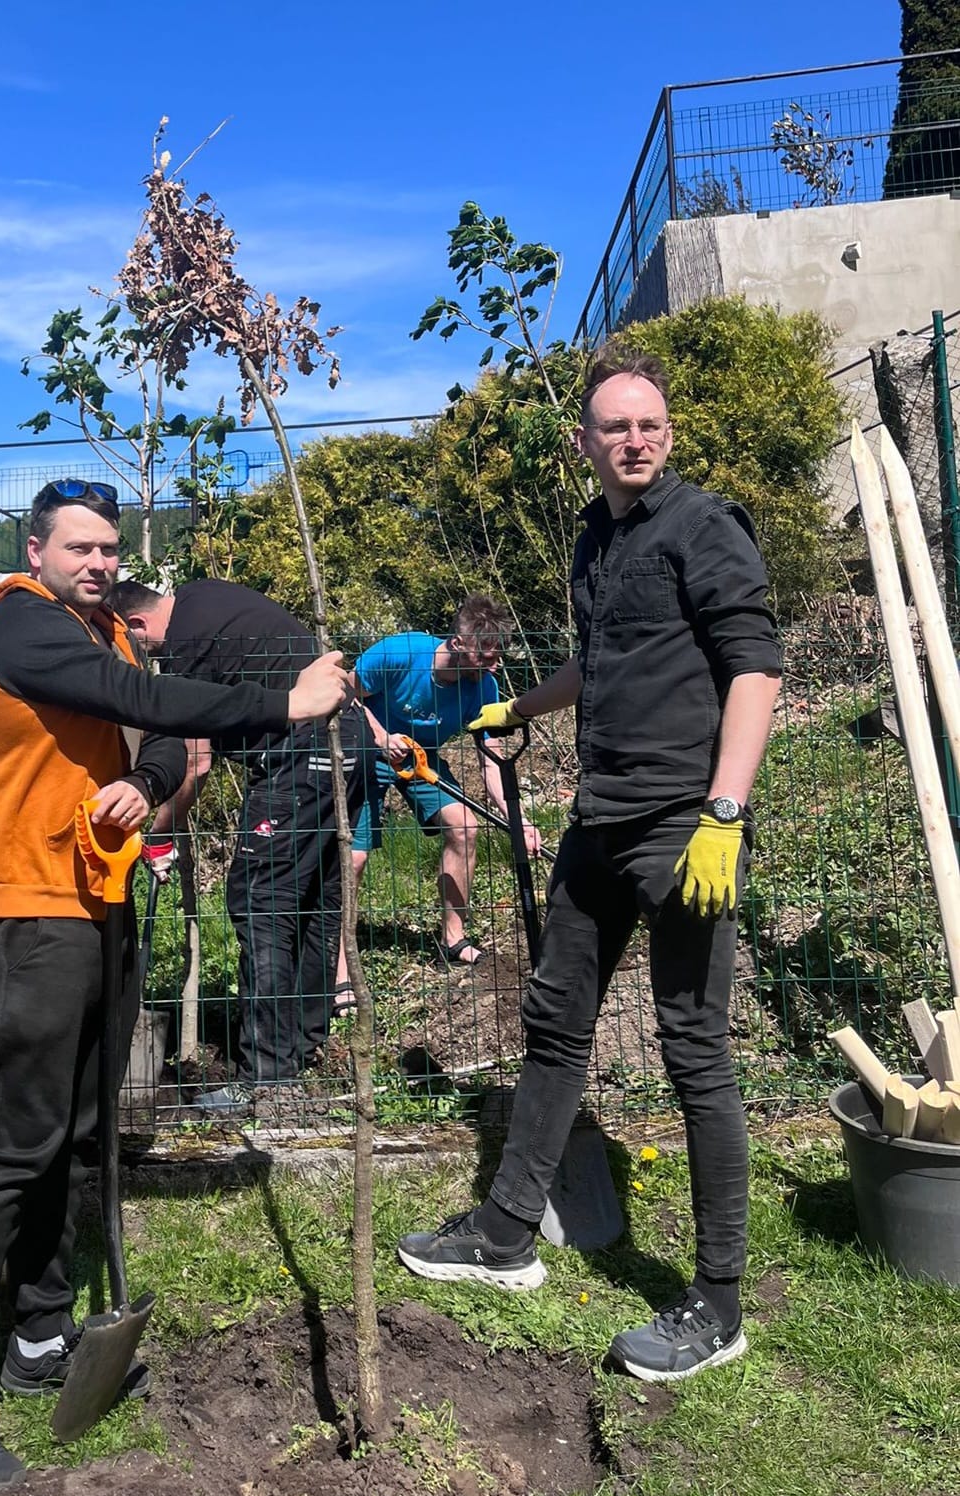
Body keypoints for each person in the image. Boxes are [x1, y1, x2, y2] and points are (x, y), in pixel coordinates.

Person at [0, 479, 352, 1494]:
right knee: (15, 1142)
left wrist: (144, 786)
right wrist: (284, 701)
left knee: (89, 1127)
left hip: (100, 905)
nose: (99, 563)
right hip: (29, 910)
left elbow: (155, 738)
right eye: (81, 547)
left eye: (109, 549)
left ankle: (41, 1336)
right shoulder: (19, 626)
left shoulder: (110, 633)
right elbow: (147, 703)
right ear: (37, 548)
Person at [397, 350, 782, 1384]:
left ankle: (717, 1302)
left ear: (668, 430)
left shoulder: (705, 528)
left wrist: (725, 813)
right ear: (586, 443)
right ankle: (506, 1233)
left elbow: (754, 668)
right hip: (600, 820)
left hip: (683, 828)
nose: (635, 439)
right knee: (555, 1020)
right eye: (615, 426)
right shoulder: (594, 539)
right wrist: (518, 707)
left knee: (695, 1051)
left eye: (649, 422)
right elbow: (602, 660)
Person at [108, 577, 369, 1116]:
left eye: (133, 645)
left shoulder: (182, 646)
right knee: (318, 898)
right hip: (353, 739)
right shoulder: (204, 596)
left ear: (136, 625)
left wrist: (156, 829)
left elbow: (197, 760)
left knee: (260, 900)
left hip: (299, 755)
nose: (142, 657)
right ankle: (304, 1043)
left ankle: (269, 1081)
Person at [332, 594, 541, 998]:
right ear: (459, 643)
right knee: (353, 857)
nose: (494, 666)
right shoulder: (399, 652)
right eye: (487, 655)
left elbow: (490, 758)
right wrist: (380, 737)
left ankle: (454, 938)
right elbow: (346, 693)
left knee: (464, 826)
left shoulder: (484, 685)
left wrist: (518, 818)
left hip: (421, 758)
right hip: (367, 751)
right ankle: (341, 967)